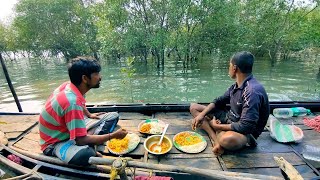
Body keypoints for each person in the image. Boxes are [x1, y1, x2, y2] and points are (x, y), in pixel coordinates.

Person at [39, 56, 128, 165]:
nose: (100, 77)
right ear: (85, 79)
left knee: (113, 116)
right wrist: (113, 136)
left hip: (68, 127)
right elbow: (80, 140)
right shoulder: (72, 102)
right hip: (55, 141)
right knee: (87, 154)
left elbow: (81, 104)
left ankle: (88, 136)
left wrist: (89, 115)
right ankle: (87, 139)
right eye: (96, 74)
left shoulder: (71, 86)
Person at [190, 51, 270, 156]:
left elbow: (246, 127)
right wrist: (201, 115)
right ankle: (215, 140)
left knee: (227, 140)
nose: (229, 68)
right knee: (194, 107)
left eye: (230, 65)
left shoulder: (252, 91)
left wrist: (218, 126)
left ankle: (217, 135)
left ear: (234, 68)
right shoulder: (236, 86)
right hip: (229, 118)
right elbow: (218, 101)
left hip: (245, 133)